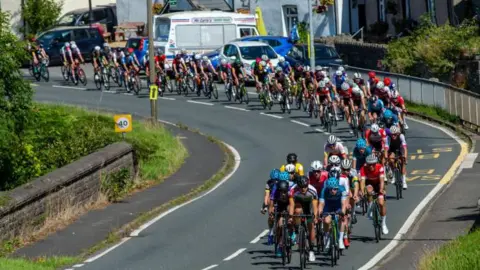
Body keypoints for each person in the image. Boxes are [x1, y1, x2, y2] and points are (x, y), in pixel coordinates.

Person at [288, 176, 318, 262]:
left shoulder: (313, 190)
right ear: (298, 186)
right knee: (297, 211)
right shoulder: (293, 190)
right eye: (301, 187)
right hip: (298, 204)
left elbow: (315, 207)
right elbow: (292, 205)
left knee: (311, 225)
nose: (303, 189)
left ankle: (311, 250)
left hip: (308, 206)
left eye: (305, 187)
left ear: (308, 185)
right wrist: (290, 217)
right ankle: (297, 230)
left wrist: (315, 217)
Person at [360, 154, 388, 235]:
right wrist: (362, 190)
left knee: (381, 203)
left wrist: (381, 190)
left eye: (373, 164)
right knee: (369, 190)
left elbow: (382, 181)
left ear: (376, 163)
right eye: (369, 164)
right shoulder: (363, 168)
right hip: (370, 184)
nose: (371, 166)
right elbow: (362, 182)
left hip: (378, 183)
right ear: (367, 164)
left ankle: (383, 224)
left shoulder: (380, 167)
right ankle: (370, 206)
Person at [318, 177, 348, 250]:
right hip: (328, 206)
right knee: (326, 221)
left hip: (338, 206)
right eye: (330, 189)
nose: (333, 191)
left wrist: (342, 213)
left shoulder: (342, 189)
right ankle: (327, 237)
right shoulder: (324, 190)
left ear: (337, 187)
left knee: (342, 219)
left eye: (335, 189)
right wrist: (320, 214)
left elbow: (343, 204)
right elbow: (321, 204)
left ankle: (340, 239)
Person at [268, 175, 291, 257]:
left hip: (287, 204)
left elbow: (292, 203)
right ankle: (279, 244)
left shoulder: (290, 190)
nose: (283, 194)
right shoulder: (275, 190)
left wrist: (291, 215)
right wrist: (271, 212)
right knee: (279, 225)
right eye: (282, 192)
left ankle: (291, 233)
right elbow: (271, 202)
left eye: (285, 192)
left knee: (290, 215)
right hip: (279, 205)